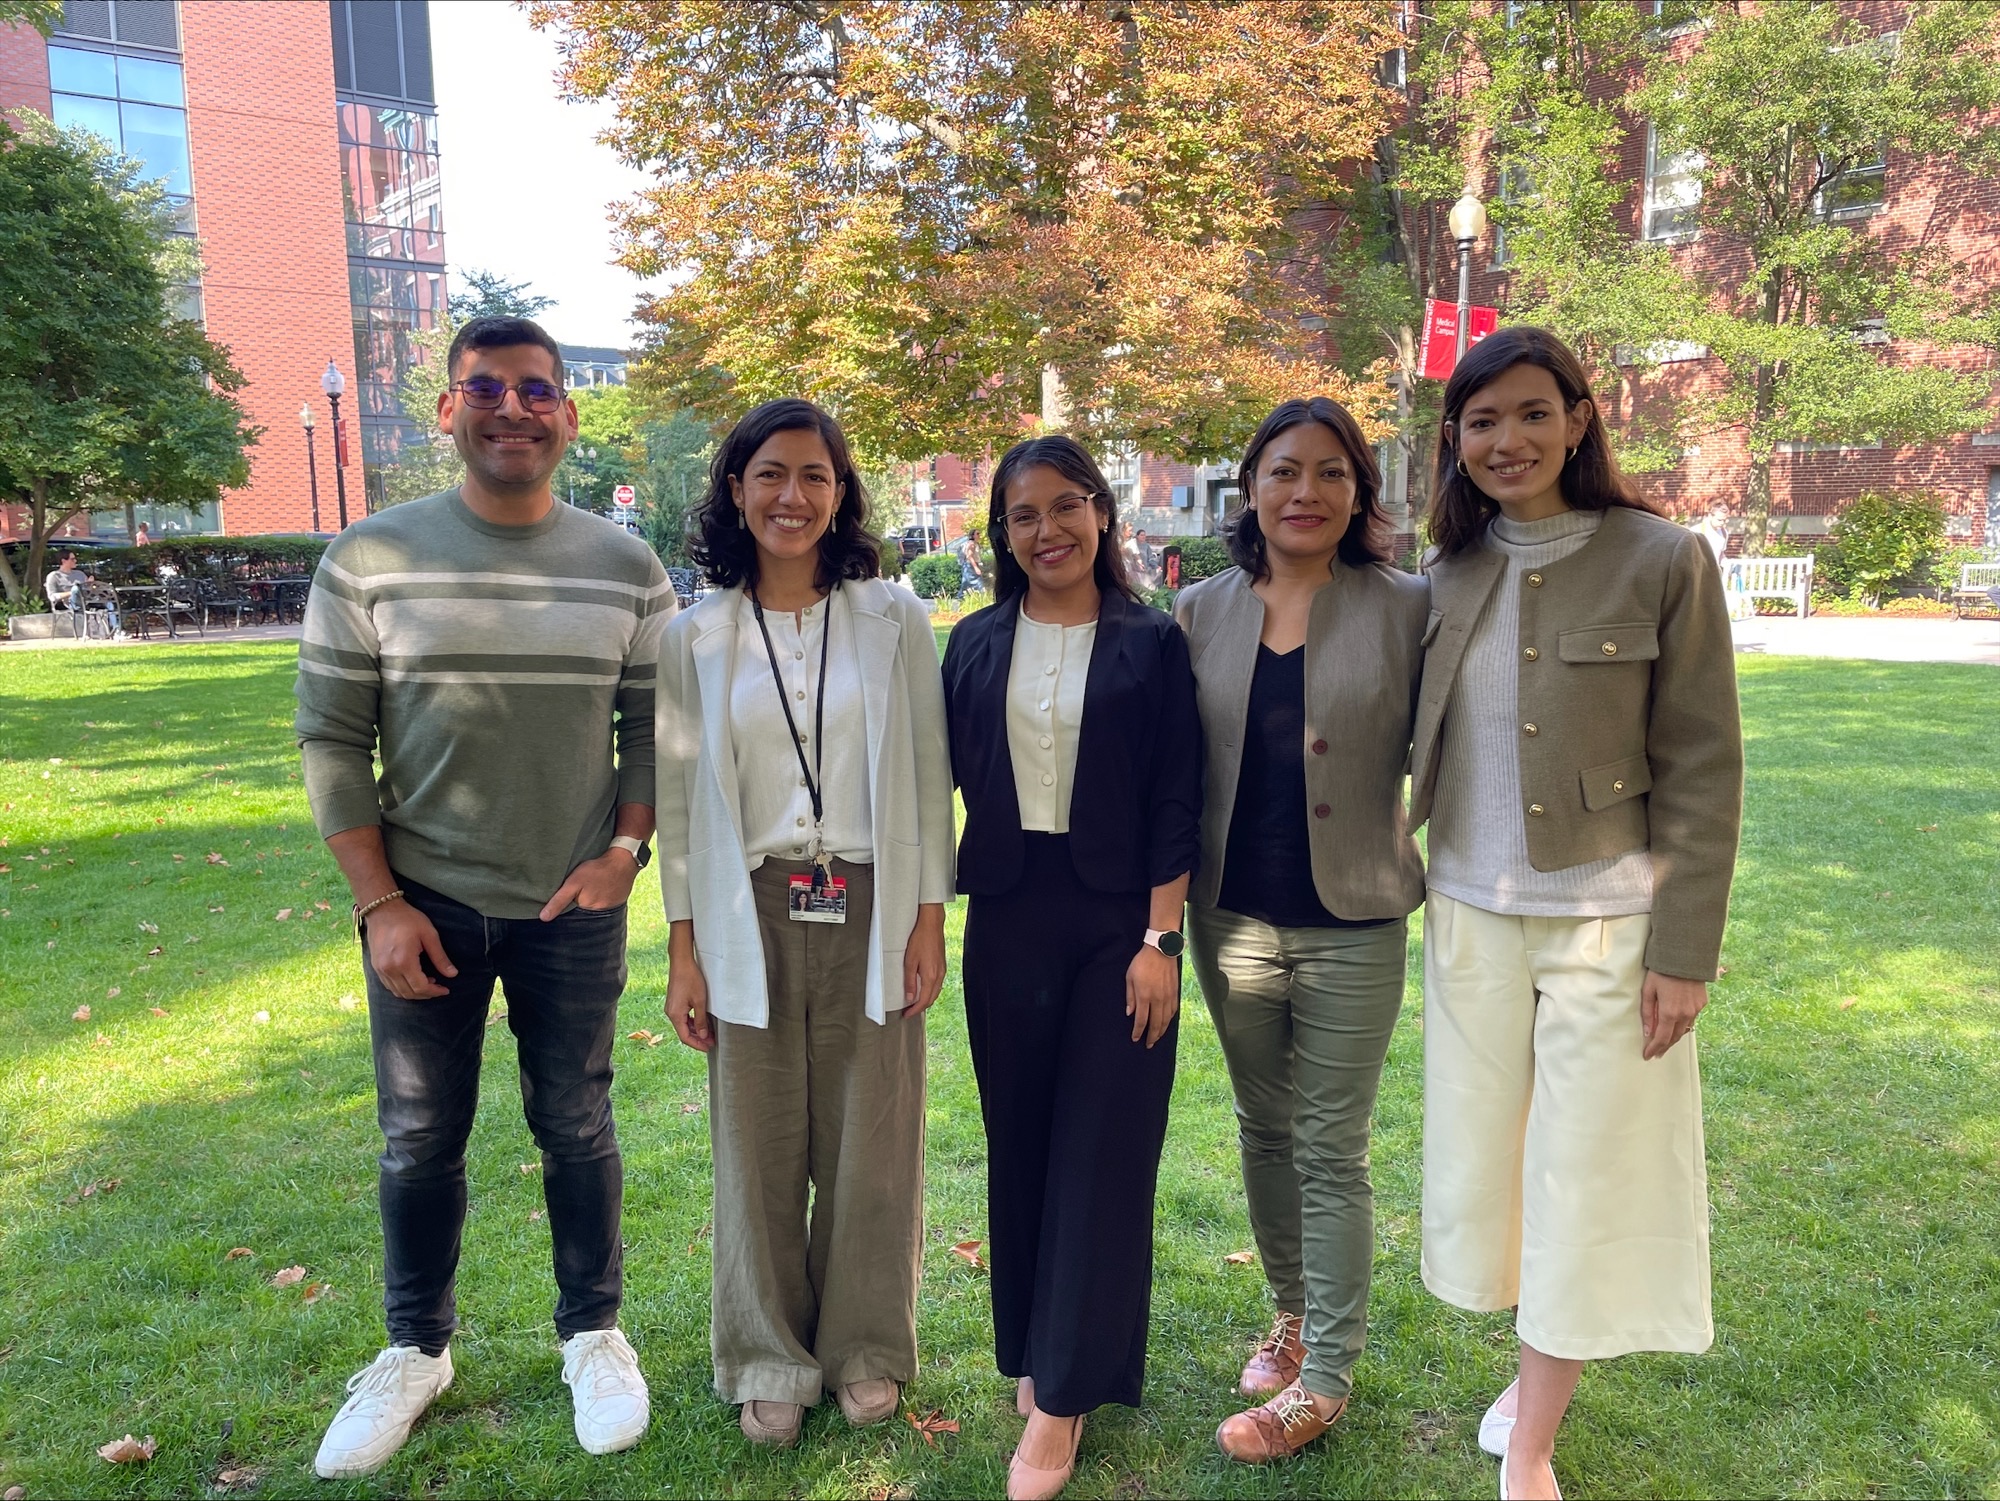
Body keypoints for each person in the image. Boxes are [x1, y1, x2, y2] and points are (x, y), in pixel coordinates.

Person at [294, 315, 675, 1479]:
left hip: (573, 902)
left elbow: (654, 730)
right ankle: (415, 1349)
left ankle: (592, 1333)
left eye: (537, 390)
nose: (514, 409)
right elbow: (330, 737)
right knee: (419, 1137)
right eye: (488, 390)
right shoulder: (369, 559)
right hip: (427, 903)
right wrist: (377, 903)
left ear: (566, 412)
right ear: (450, 410)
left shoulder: (626, 566)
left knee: (575, 1123)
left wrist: (625, 855)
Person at [1410, 326, 1743, 1501]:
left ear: (1578, 419)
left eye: (1531, 413)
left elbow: (1703, 766)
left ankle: (1533, 1444)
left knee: (1585, 1173)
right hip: (1465, 916)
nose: (1508, 439)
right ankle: (1524, 1373)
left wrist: (1682, 951)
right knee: (1485, 1176)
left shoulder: (1661, 559)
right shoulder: (1439, 577)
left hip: (1611, 923)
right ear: (1453, 438)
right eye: (1482, 419)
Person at [656, 397, 953, 1449]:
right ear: (735, 489)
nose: (793, 496)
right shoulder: (693, 636)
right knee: (759, 1140)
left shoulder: (893, 618)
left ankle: (865, 1348)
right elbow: (683, 810)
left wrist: (928, 920)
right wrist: (682, 951)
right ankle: (766, 1356)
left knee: (876, 1138)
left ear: (841, 493)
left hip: (869, 895)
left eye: (815, 477)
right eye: (770, 474)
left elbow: (925, 774)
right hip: (750, 902)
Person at [942, 435, 1202, 1501]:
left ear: (1100, 512)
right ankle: (1036, 1348)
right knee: (1024, 1141)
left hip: (1117, 924)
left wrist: (1158, 941)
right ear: (1000, 534)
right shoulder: (969, 644)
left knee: (1101, 1151)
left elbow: (1176, 795)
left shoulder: (1152, 642)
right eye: (1021, 516)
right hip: (1006, 913)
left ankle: (1060, 1406)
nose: (1045, 530)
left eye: (1064, 506)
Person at [1173, 398, 1429, 1463]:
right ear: (1251, 487)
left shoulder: (1408, 607)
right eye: (1284, 471)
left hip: (1352, 919)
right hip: (1229, 917)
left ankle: (1323, 1372)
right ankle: (1286, 1312)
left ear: (1357, 490)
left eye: (1330, 473)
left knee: (1330, 1146)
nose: (1305, 492)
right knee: (1261, 1127)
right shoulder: (1197, 611)